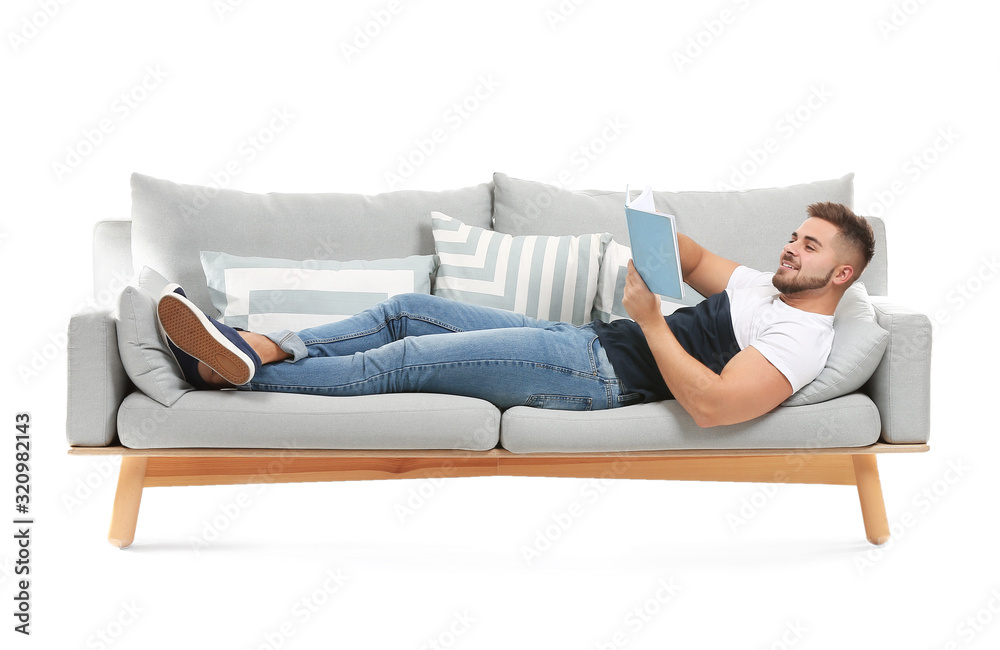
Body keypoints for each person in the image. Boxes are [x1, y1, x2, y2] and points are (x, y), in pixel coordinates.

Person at [156, 201, 875, 427]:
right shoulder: (764, 288)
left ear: (840, 273)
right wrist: (657, 237)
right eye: (792, 235)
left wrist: (653, 319)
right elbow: (692, 258)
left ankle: (230, 375)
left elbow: (716, 406)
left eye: (807, 246)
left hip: (593, 378)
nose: (789, 248)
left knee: (402, 363)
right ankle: (254, 346)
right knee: (406, 309)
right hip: (582, 340)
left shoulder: (799, 336)